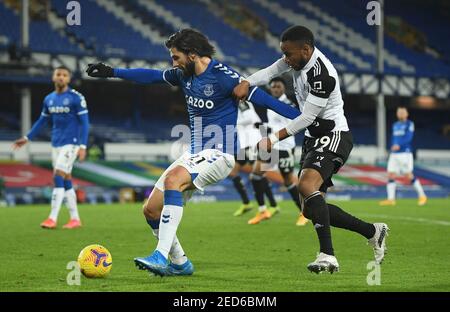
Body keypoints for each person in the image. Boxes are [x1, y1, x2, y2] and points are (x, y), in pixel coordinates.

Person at [86, 28, 334, 277]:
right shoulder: (183, 75)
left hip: (221, 154)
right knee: (150, 209)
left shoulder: (224, 77)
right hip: (194, 153)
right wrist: (112, 72)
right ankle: (180, 262)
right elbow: (150, 76)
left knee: (174, 181)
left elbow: (268, 102)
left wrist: (307, 119)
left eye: (176, 57)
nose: (173, 62)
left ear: (192, 54)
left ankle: (160, 256)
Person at [233, 25, 389, 273]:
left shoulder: (321, 74)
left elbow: (306, 118)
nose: (286, 59)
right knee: (309, 209)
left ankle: (327, 256)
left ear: (306, 49)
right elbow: (273, 70)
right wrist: (246, 82)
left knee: (306, 186)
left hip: (334, 134)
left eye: (289, 54)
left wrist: (272, 139)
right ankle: (372, 231)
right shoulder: (295, 59)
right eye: (283, 53)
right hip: (312, 138)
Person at [12, 66, 89, 229]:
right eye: (58, 74)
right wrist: (27, 138)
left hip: (72, 143)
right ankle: (75, 219)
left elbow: (85, 123)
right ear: (53, 77)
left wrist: (83, 145)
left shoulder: (76, 98)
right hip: (56, 144)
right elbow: (41, 121)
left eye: (64, 75)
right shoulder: (49, 99)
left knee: (57, 175)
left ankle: (52, 218)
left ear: (68, 79)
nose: (61, 77)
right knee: (66, 179)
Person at [248, 77, 308, 226]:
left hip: (284, 147)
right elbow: (275, 124)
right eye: (273, 86)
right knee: (255, 175)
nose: (275, 88)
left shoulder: (288, 105)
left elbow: (291, 127)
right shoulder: (272, 103)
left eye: (278, 86)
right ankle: (263, 211)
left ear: (283, 88)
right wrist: (262, 127)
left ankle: (304, 213)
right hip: (271, 146)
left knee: (288, 181)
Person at [380, 106, 427, 206]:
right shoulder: (395, 125)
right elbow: (394, 138)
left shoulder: (409, 124)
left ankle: (422, 195)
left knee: (408, 175)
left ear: (406, 114)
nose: (400, 114)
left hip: (405, 152)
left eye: (402, 112)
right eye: (399, 112)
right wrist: (392, 146)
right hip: (394, 154)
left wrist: (399, 145)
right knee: (391, 174)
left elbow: (408, 137)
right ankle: (391, 199)